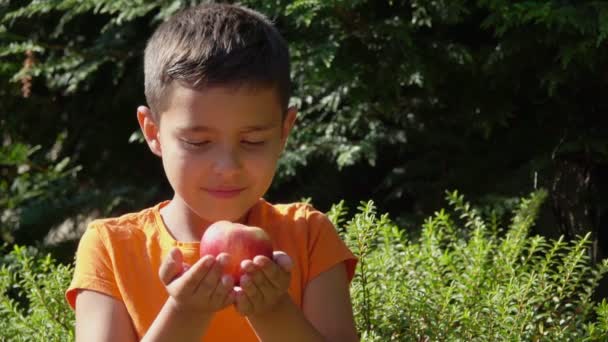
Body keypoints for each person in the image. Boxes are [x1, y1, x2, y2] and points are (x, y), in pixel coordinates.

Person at [65, 3, 358, 341]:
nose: (227, 167)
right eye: (198, 142)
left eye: (252, 140)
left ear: (284, 132)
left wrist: (273, 311)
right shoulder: (112, 248)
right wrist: (185, 312)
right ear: (153, 132)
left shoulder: (309, 236)